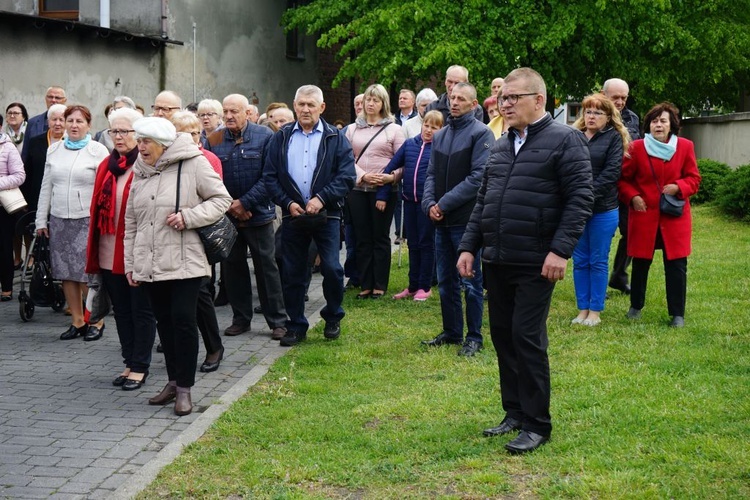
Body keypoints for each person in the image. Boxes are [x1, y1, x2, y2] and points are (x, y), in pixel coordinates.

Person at [457, 68, 593, 454]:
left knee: (526, 337)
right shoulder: (500, 144)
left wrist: (560, 250)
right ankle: (514, 413)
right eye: (503, 98)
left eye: (514, 97)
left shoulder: (566, 141)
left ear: (539, 100)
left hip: (537, 260)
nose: (505, 103)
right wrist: (469, 247)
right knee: (502, 335)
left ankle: (537, 423)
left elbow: (581, 199)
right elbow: (484, 201)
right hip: (497, 258)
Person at [124, 117, 231, 416]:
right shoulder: (140, 171)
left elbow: (222, 199)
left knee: (184, 321)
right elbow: (131, 222)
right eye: (139, 140)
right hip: (151, 263)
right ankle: (172, 382)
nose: (140, 147)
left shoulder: (193, 163)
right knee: (165, 325)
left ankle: (185, 389)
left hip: (187, 262)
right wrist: (130, 264)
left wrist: (189, 217)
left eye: (146, 141)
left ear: (163, 144)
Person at [264, 84, 356, 346]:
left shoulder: (335, 138)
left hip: (327, 215)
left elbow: (347, 176)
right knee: (292, 272)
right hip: (294, 215)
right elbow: (270, 177)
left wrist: (321, 198)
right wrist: (288, 202)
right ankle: (296, 325)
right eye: (301, 104)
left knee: (332, 268)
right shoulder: (280, 137)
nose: (305, 109)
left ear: (322, 108)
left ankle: (333, 316)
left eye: (311, 105)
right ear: (294, 106)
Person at [206, 94, 288, 340]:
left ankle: (277, 321)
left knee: (266, 268)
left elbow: (271, 176)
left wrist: (245, 202)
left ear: (248, 113)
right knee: (232, 268)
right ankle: (241, 319)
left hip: (259, 214)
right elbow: (209, 176)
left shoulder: (266, 137)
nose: (229, 116)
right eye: (226, 111)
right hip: (227, 216)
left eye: (235, 111)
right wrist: (231, 206)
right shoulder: (214, 138)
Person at [85, 107, 157, 390]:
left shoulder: (146, 165)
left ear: (137, 134)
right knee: (122, 312)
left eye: (125, 131)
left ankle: (141, 366)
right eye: (114, 131)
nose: (118, 136)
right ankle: (129, 362)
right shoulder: (107, 165)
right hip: (107, 250)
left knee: (142, 310)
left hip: (135, 251)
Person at [421, 82, 493, 357]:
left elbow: (478, 178)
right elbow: (431, 175)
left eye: (461, 99)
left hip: (467, 220)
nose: (455, 102)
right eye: (452, 97)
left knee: (471, 282)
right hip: (442, 220)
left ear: (474, 105)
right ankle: (452, 331)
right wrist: (429, 203)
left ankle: (474, 336)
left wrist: (444, 203)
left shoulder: (481, 133)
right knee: (446, 281)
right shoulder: (440, 135)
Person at [618, 102, 701, 328]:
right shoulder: (636, 147)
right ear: (648, 125)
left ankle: (677, 314)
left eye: (663, 121)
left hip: (674, 217)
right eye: (654, 121)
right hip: (644, 216)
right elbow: (623, 180)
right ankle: (635, 307)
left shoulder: (684, 147)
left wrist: (678, 187)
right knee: (641, 263)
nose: (658, 125)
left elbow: (694, 179)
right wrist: (633, 197)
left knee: (676, 266)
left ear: (671, 124)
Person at [35, 105, 110, 341]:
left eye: (79, 121)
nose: (74, 125)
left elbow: (105, 190)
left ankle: (95, 320)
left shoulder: (98, 150)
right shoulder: (55, 149)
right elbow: (46, 186)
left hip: (86, 219)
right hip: (59, 218)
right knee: (66, 272)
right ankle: (77, 321)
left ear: (89, 125)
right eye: (70, 121)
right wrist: (41, 219)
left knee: (87, 273)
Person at [171, 110, 225, 372]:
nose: (190, 138)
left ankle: (214, 347)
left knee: (201, 293)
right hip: (170, 237)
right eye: (183, 133)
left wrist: (189, 214)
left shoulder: (208, 159)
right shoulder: (164, 159)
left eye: (194, 133)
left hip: (198, 236)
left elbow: (215, 199)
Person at [570, 94, 630, 326]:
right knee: (580, 260)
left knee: (597, 260)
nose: (591, 116)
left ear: (608, 117)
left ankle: (595, 311)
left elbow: (611, 173)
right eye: (587, 111)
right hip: (576, 209)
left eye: (597, 112)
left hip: (602, 210)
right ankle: (582, 309)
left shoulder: (613, 138)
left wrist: (585, 197)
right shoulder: (574, 136)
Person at [344, 84, 405, 299]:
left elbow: (403, 160)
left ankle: (379, 284)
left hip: (384, 190)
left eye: (376, 100)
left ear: (383, 104)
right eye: (368, 99)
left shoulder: (394, 129)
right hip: (358, 189)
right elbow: (346, 159)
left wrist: (391, 177)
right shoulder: (352, 129)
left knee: (380, 237)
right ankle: (365, 283)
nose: (370, 104)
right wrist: (362, 175)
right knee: (362, 237)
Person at [379, 110, 443, 301]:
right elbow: (389, 169)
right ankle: (413, 285)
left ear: (440, 130)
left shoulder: (439, 149)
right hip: (409, 201)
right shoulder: (409, 145)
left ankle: (425, 285)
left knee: (426, 244)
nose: (429, 130)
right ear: (421, 124)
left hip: (428, 204)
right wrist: (381, 195)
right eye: (427, 125)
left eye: (435, 127)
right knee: (413, 244)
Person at [602, 78, 641, 295]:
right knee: (603, 235)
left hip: (625, 184)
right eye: (615, 97)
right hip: (602, 186)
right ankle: (599, 279)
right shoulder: (594, 116)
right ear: (603, 94)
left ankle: (619, 275)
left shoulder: (632, 118)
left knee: (630, 233)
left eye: (623, 98)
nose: (620, 102)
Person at [0, 124, 26, 300]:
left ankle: (6, 288)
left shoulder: (8, 147)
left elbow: (19, 175)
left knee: (3, 247)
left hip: (2, 207)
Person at [22, 86, 67, 152]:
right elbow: (26, 153)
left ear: (65, 100)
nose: (53, 100)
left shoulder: (72, 123)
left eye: (57, 98)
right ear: (45, 99)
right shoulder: (32, 123)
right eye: (50, 97)